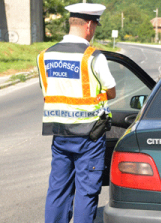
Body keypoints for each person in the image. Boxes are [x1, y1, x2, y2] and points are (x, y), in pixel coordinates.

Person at [36, 3, 116, 223]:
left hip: (60, 134)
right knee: (86, 191)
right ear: (89, 25)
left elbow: (49, 92)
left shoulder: (44, 56)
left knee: (58, 190)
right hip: (89, 135)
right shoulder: (92, 57)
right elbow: (111, 91)